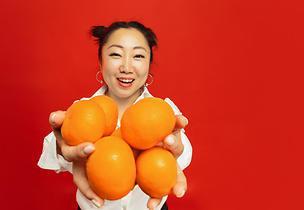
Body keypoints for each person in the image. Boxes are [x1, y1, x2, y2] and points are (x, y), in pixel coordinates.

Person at [38, 21, 192, 210]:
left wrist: (172, 151)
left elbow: (183, 155)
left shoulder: (165, 111)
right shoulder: (82, 109)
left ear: (149, 65)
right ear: (101, 62)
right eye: (116, 54)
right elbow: (52, 154)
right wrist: (63, 145)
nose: (126, 67)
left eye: (138, 56)